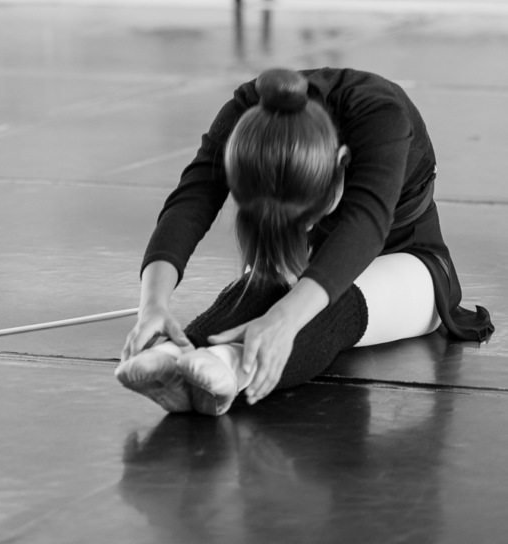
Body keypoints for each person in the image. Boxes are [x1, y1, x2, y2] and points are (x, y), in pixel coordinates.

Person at [116, 67, 494, 417]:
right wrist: (153, 305)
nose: (305, 228)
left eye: (306, 218)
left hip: (410, 258)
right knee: (260, 286)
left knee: (324, 308)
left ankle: (228, 367)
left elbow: (365, 226)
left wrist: (283, 318)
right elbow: (193, 199)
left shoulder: (381, 117)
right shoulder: (253, 117)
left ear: (343, 163)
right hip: (322, 257)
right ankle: (176, 353)